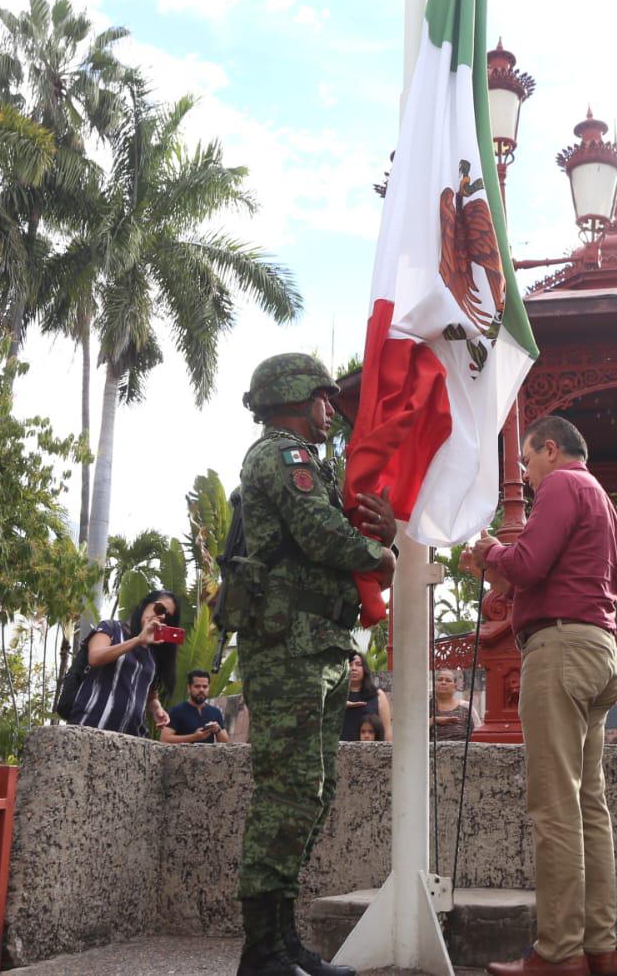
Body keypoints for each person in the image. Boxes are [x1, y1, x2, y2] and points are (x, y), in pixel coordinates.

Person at [233, 353, 397, 976]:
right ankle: (261, 951)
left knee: (311, 794)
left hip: (318, 645)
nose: (331, 409)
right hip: (288, 651)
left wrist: (381, 540)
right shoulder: (281, 455)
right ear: (296, 398)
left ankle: (282, 942)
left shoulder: (306, 460)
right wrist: (382, 556)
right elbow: (320, 532)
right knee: (288, 793)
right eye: (324, 398)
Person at [469, 416, 617, 976]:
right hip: (599, 648)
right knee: (589, 807)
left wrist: (491, 552)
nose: (528, 476)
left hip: (559, 650)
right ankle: (600, 947)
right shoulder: (600, 497)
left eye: (528, 461)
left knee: (555, 808)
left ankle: (559, 952)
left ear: (551, 450)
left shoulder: (561, 485)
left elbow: (528, 563)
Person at [65, 589, 177, 738]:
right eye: (160, 609)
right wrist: (137, 640)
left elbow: (149, 691)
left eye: (168, 616)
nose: (162, 616)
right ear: (144, 605)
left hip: (131, 737)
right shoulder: (111, 628)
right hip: (91, 729)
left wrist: (156, 708)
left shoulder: (153, 651)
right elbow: (95, 657)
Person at [162, 669, 230, 744]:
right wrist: (194, 737)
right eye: (197, 686)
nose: (201, 690)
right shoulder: (176, 711)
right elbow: (165, 739)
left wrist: (218, 730)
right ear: (189, 688)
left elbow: (226, 743)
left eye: (205, 687)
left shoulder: (215, 712)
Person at [341, 651, 391, 743]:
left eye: (358, 664)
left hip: (370, 750)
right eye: (350, 665)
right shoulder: (334, 696)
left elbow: (387, 732)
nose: (353, 668)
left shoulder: (378, 695)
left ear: (364, 668)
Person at [430, 667, 481, 741]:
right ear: (434, 684)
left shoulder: (466, 707)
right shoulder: (425, 707)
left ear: (455, 686)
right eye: (440, 679)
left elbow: (478, 734)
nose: (443, 682)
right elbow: (415, 730)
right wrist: (434, 720)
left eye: (448, 680)